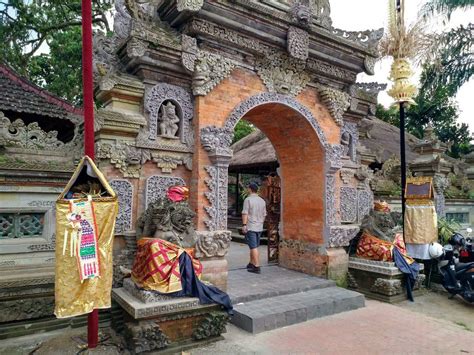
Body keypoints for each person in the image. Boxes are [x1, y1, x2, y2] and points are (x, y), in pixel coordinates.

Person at [241, 182, 267, 274]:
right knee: (254, 246)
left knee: (253, 247)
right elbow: (264, 215)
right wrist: (260, 223)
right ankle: (251, 263)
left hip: (251, 226)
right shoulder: (262, 201)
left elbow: (245, 213)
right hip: (259, 227)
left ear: (250, 189)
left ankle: (257, 266)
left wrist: (244, 225)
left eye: (248, 188)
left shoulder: (248, 200)